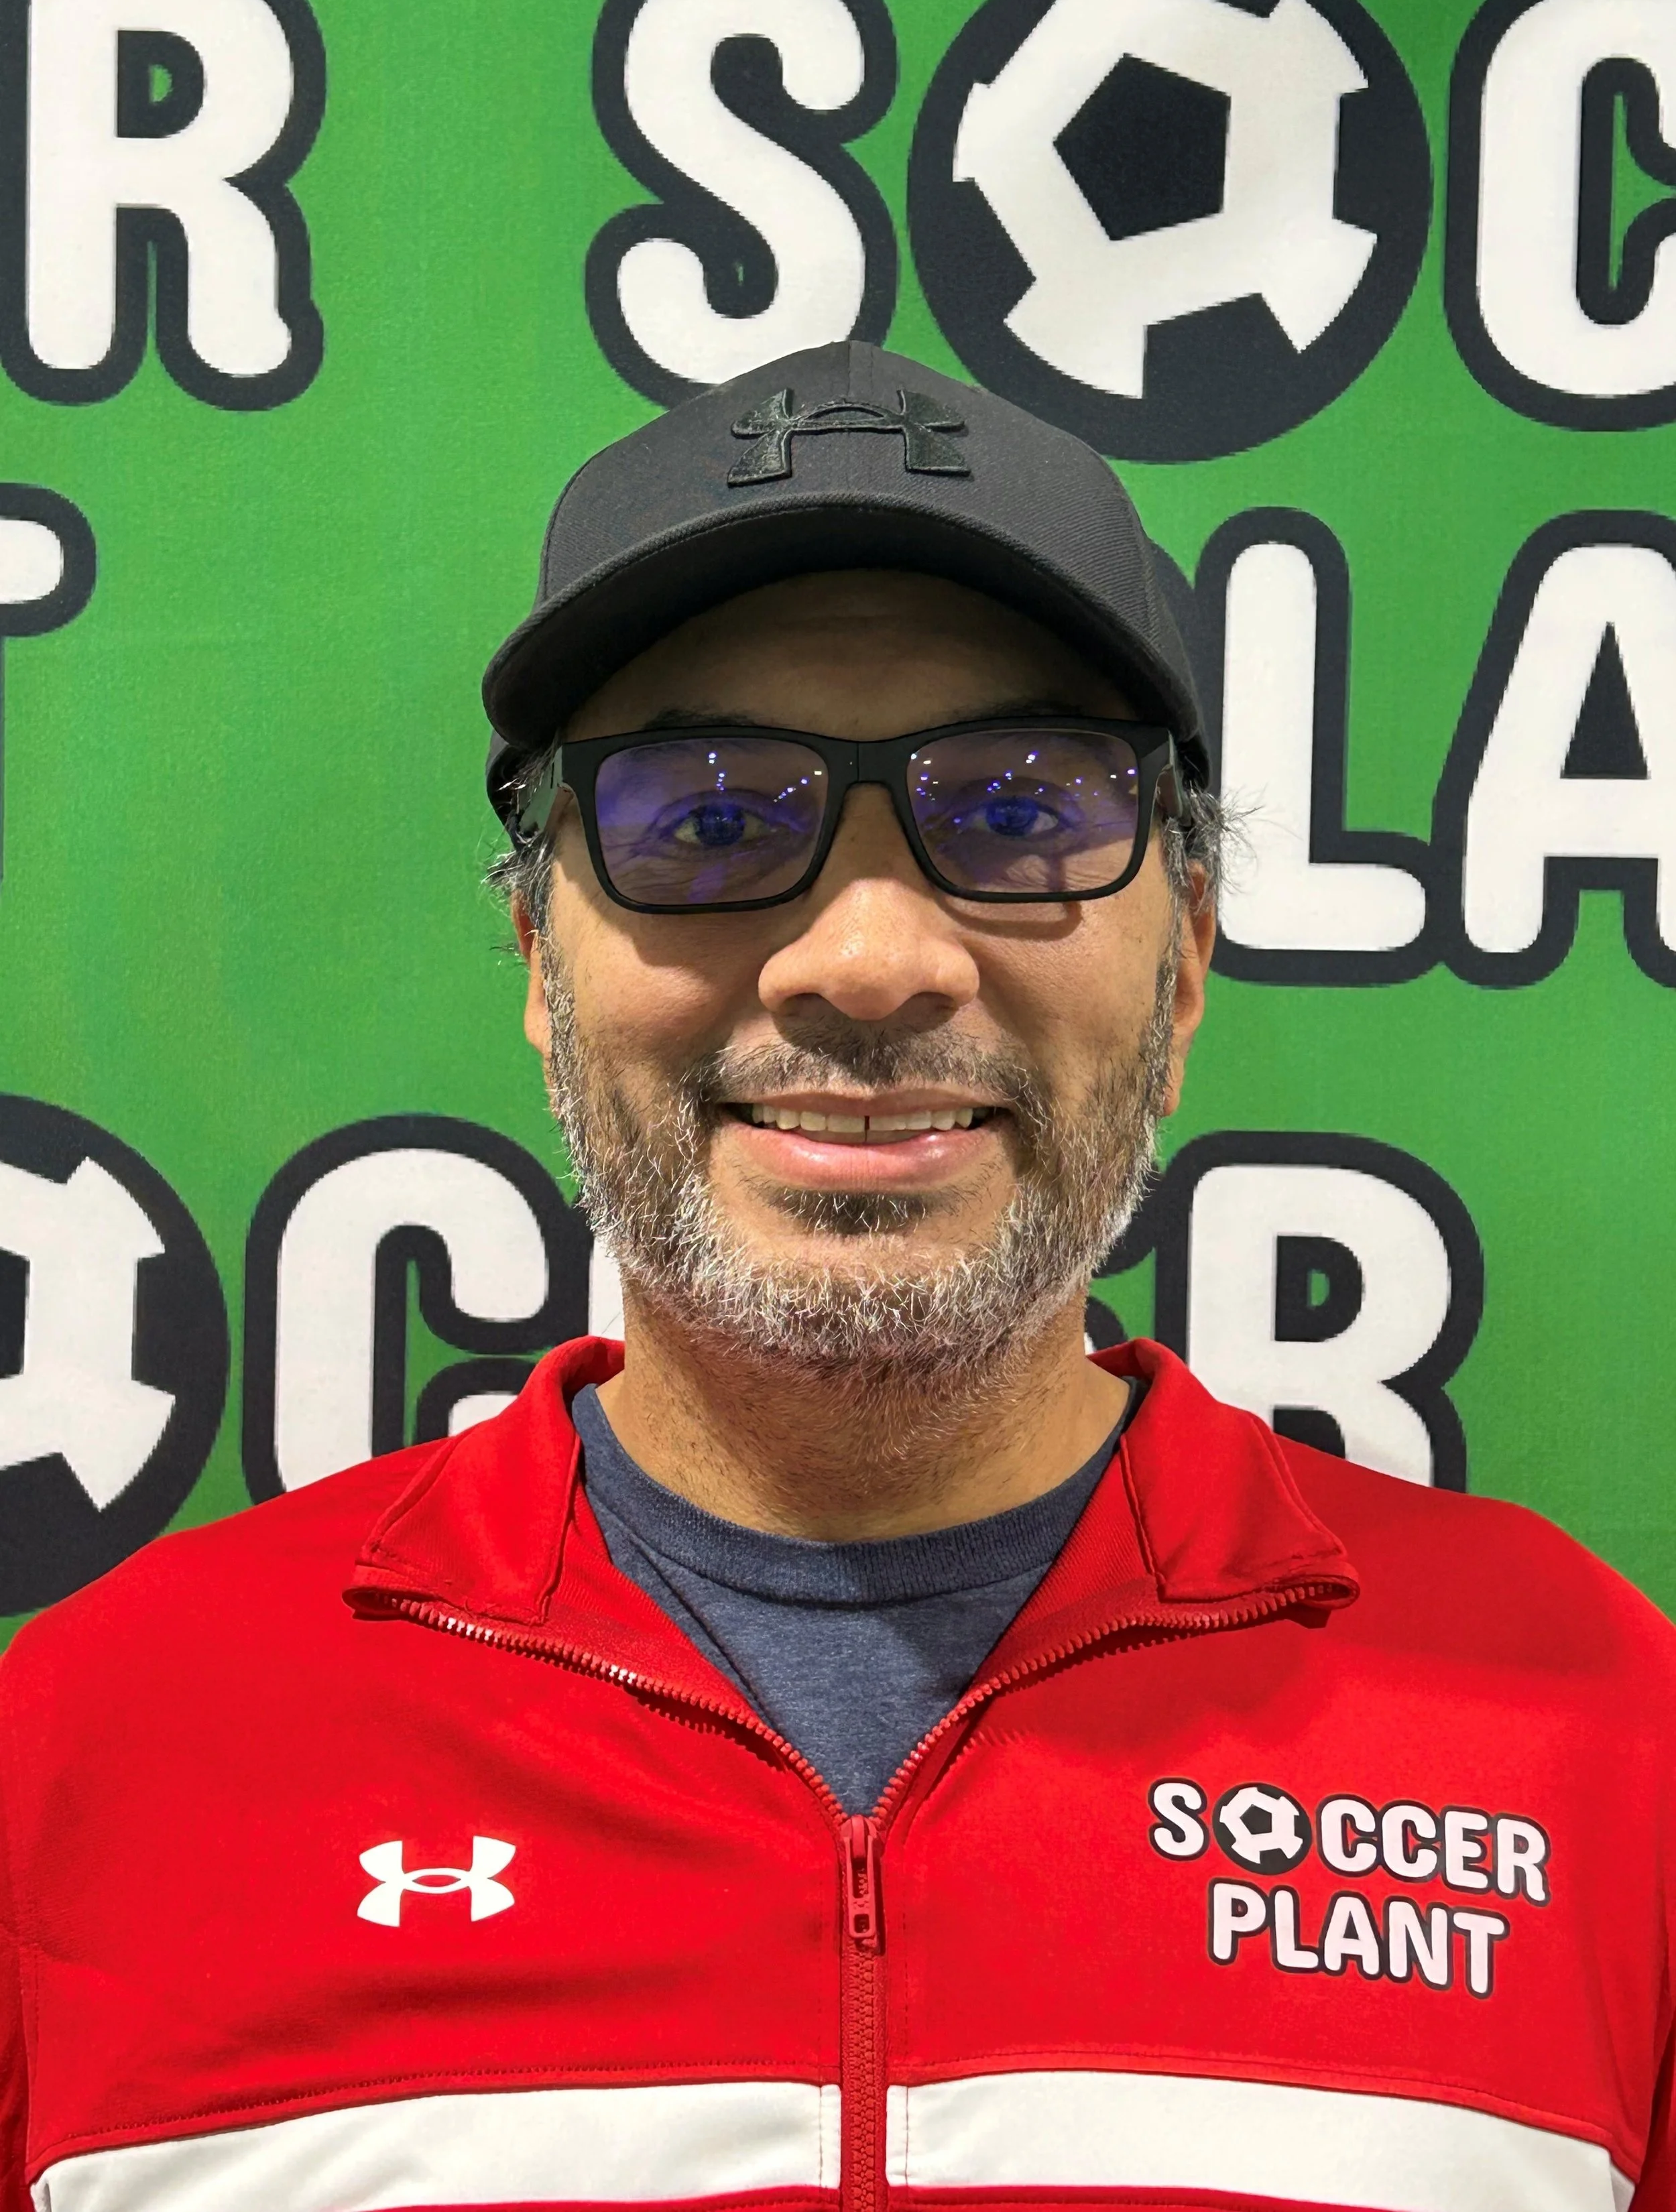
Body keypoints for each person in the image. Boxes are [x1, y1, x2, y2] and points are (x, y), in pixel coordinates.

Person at [3, 341, 1673, 2212]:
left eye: (1025, 812)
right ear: (543, 964)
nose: (867, 958)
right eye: (704, 818)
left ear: (1184, 962)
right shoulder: (100, 1751)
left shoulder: (1595, 1737)